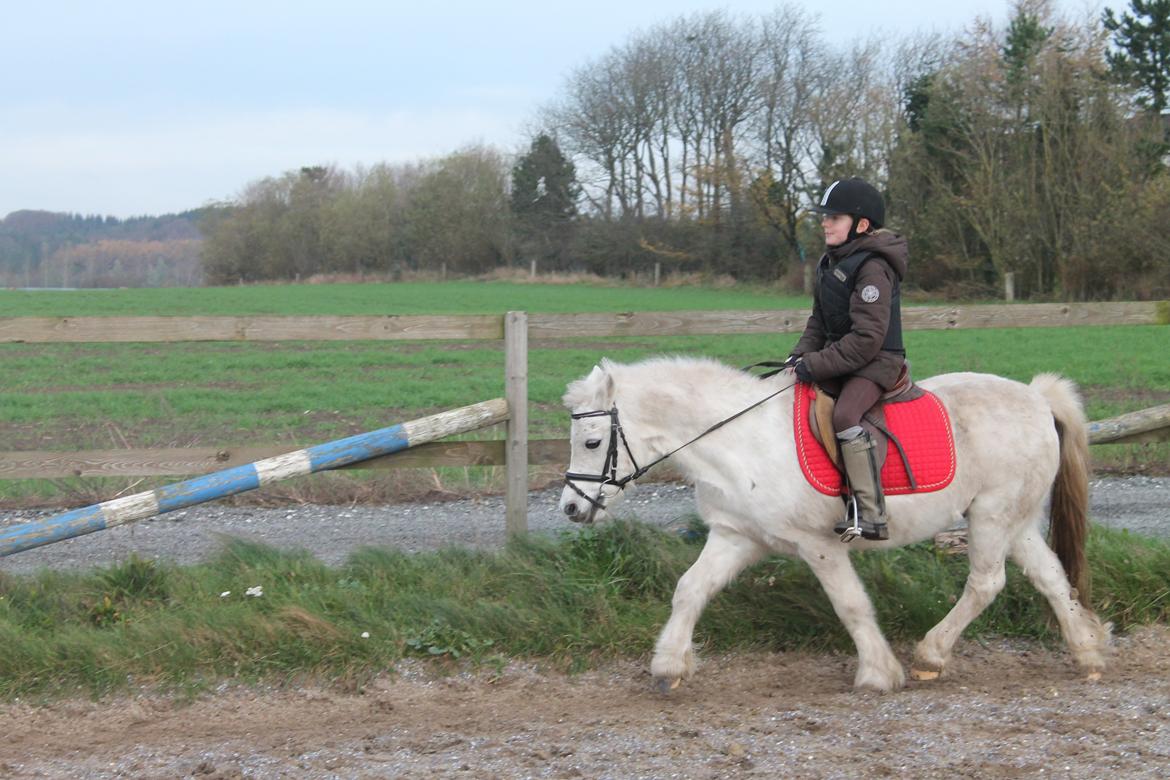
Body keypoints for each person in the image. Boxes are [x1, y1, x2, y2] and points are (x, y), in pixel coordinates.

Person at [785, 177, 908, 541]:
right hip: (843, 357)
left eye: (834, 217)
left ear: (862, 224)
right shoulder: (829, 262)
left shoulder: (873, 268)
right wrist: (798, 357)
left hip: (876, 362)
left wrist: (816, 364)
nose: (825, 223)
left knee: (845, 415)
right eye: (825, 217)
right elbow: (818, 322)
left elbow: (868, 339)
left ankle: (871, 512)